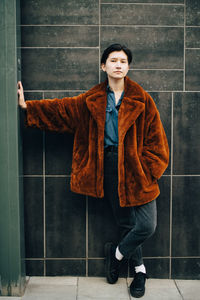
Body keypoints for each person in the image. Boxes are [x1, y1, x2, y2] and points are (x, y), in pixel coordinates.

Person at [18, 44, 169, 298]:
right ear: (104, 66)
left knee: (146, 224)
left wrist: (148, 170)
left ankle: (117, 254)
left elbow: (157, 141)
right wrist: (28, 107)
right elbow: (62, 110)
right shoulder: (91, 100)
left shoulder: (142, 100)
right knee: (125, 222)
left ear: (128, 67)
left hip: (136, 170)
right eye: (113, 60)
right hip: (107, 168)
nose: (118, 64)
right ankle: (140, 271)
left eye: (123, 61)